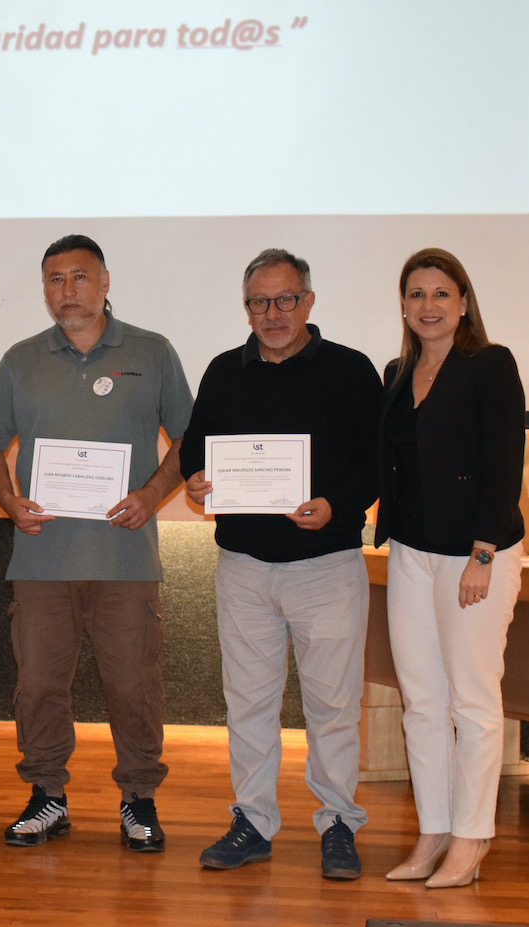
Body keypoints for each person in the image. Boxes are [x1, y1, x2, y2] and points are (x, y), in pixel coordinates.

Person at [0, 234, 192, 853]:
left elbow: (189, 437)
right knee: (39, 686)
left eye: (79, 276)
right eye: (55, 279)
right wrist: (9, 501)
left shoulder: (152, 351)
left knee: (134, 686)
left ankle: (139, 799)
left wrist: (151, 495)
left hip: (125, 558)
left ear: (104, 282)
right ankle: (47, 795)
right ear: (44, 289)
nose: (67, 290)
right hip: (42, 558)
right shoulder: (20, 359)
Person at [178, 248, 381, 880]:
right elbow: (194, 447)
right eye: (259, 302)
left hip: (328, 566)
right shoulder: (223, 371)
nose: (273, 313)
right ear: (246, 308)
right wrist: (196, 480)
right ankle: (253, 821)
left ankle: (339, 823)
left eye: (285, 299)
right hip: (243, 567)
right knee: (248, 704)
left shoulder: (351, 370)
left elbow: (378, 462)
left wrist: (336, 504)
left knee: (333, 707)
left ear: (308, 301)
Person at [375, 247, 525, 888]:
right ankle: (433, 831)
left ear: (463, 301)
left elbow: (504, 463)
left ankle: (471, 837)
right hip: (410, 552)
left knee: (473, 700)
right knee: (422, 702)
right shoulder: (395, 372)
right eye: (416, 294)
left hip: (475, 554)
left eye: (441, 292)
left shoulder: (490, 364)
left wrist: (482, 554)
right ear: (404, 305)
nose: (428, 305)